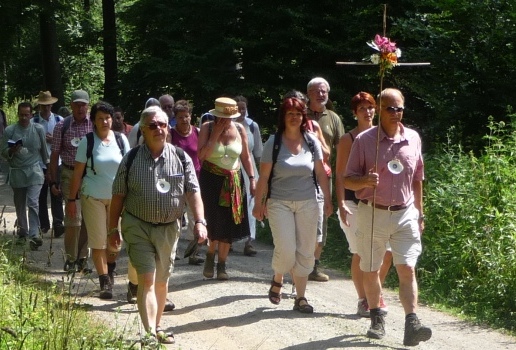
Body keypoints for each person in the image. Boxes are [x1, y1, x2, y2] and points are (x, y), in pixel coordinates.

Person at [108, 105, 207, 344]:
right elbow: (118, 195)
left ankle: (158, 325)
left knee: (162, 281)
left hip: (169, 227)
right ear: (143, 129)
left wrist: (200, 222)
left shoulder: (181, 158)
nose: (159, 129)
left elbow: (193, 192)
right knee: (148, 279)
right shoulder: (130, 159)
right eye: (153, 125)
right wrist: (112, 229)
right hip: (137, 225)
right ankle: (150, 333)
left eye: (163, 124)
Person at [344, 88, 431, 346]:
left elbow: (418, 179)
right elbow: (347, 179)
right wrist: (365, 180)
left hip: (405, 213)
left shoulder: (413, 138)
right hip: (372, 213)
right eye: (390, 108)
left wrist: (419, 212)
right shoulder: (365, 140)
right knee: (371, 268)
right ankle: (376, 317)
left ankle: (412, 322)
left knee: (407, 268)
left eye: (400, 108)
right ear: (379, 110)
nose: (396, 113)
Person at [252, 97, 332, 313]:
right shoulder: (274, 142)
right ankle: (278, 277)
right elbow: (264, 177)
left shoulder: (311, 141)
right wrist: (259, 204)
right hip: (280, 203)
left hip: (309, 202)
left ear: (303, 116)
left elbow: (321, 173)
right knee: (286, 249)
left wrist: (328, 200)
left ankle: (301, 298)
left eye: (298, 113)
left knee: (306, 250)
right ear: (284, 117)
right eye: (290, 114)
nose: (295, 117)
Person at [65, 101, 130, 299]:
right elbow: (77, 174)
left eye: (107, 118)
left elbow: (129, 169)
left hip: (118, 198)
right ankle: (104, 282)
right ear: (93, 121)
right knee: (98, 241)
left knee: (114, 242)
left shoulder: (121, 140)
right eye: (100, 118)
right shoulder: (87, 141)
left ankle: (110, 270)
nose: (104, 121)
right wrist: (71, 200)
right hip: (92, 197)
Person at [335, 92, 392, 317]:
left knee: (386, 252)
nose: (367, 112)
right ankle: (363, 300)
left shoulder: (383, 135)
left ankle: (374, 294)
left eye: (370, 108)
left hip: (379, 201)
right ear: (354, 113)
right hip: (354, 201)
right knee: (361, 252)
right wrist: (340, 203)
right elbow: (340, 174)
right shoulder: (348, 139)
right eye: (362, 109)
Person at [197, 97, 255, 280]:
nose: (225, 120)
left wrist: (252, 179)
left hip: (234, 181)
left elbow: (246, 157)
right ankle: (209, 255)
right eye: (222, 117)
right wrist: (215, 135)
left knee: (229, 223)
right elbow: (201, 156)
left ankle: (222, 264)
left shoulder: (240, 129)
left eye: (229, 117)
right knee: (213, 222)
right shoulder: (207, 128)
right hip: (211, 180)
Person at [306, 77, 345, 282]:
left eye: (324, 91)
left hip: (324, 176)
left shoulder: (333, 118)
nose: (321, 94)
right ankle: (299, 262)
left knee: (323, 217)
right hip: (301, 175)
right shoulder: (299, 114)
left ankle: (314, 265)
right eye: (317, 91)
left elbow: (341, 149)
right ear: (308, 93)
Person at [50, 89, 93, 272]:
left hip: (90, 176)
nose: (80, 108)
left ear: (88, 105)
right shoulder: (62, 126)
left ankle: (83, 258)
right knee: (73, 218)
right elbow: (54, 154)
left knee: (88, 219)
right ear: (71, 106)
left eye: (83, 104)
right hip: (69, 173)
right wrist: (53, 180)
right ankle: (70, 258)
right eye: (77, 104)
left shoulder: (95, 125)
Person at [0, 102, 48, 248]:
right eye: (21, 115)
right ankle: (22, 232)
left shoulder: (38, 129)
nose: (24, 117)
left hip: (34, 170)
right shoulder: (10, 130)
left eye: (27, 115)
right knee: (20, 204)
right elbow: (3, 151)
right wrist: (11, 151)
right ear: (18, 114)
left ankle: (34, 234)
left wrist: (48, 169)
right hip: (17, 171)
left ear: (31, 114)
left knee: (33, 202)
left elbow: (44, 151)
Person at [169, 100, 204, 265]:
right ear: (175, 118)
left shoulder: (197, 132)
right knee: (175, 216)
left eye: (187, 116)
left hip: (194, 180)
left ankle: (193, 252)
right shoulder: (171, 134)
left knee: (194, 216)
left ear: (191, 116)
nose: (184, 119)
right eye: (181, 117)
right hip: (175, 181)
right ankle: (171, 251)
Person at [32, 91, 65, 237]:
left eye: (48, 105)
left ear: (52, 105)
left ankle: (58, 223)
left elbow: (67, 141)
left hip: (56, 161)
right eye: (43, 106)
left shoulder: (60, 120)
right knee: (41, 194)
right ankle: (44, 224)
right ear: (39, 105)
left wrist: (54, 140)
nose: (46, 108)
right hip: (39, 162)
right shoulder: (33, 122)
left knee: (57, 192)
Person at [234, 95, 263, 256]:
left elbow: (258, 152)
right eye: (238, 108)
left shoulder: (253, 126)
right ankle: (229, 238)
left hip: (250, 168)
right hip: (232, 166)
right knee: (233, 202)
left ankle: (249, 241)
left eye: (243, 108)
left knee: (251, 203)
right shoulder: (227, 126)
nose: (241, 111)